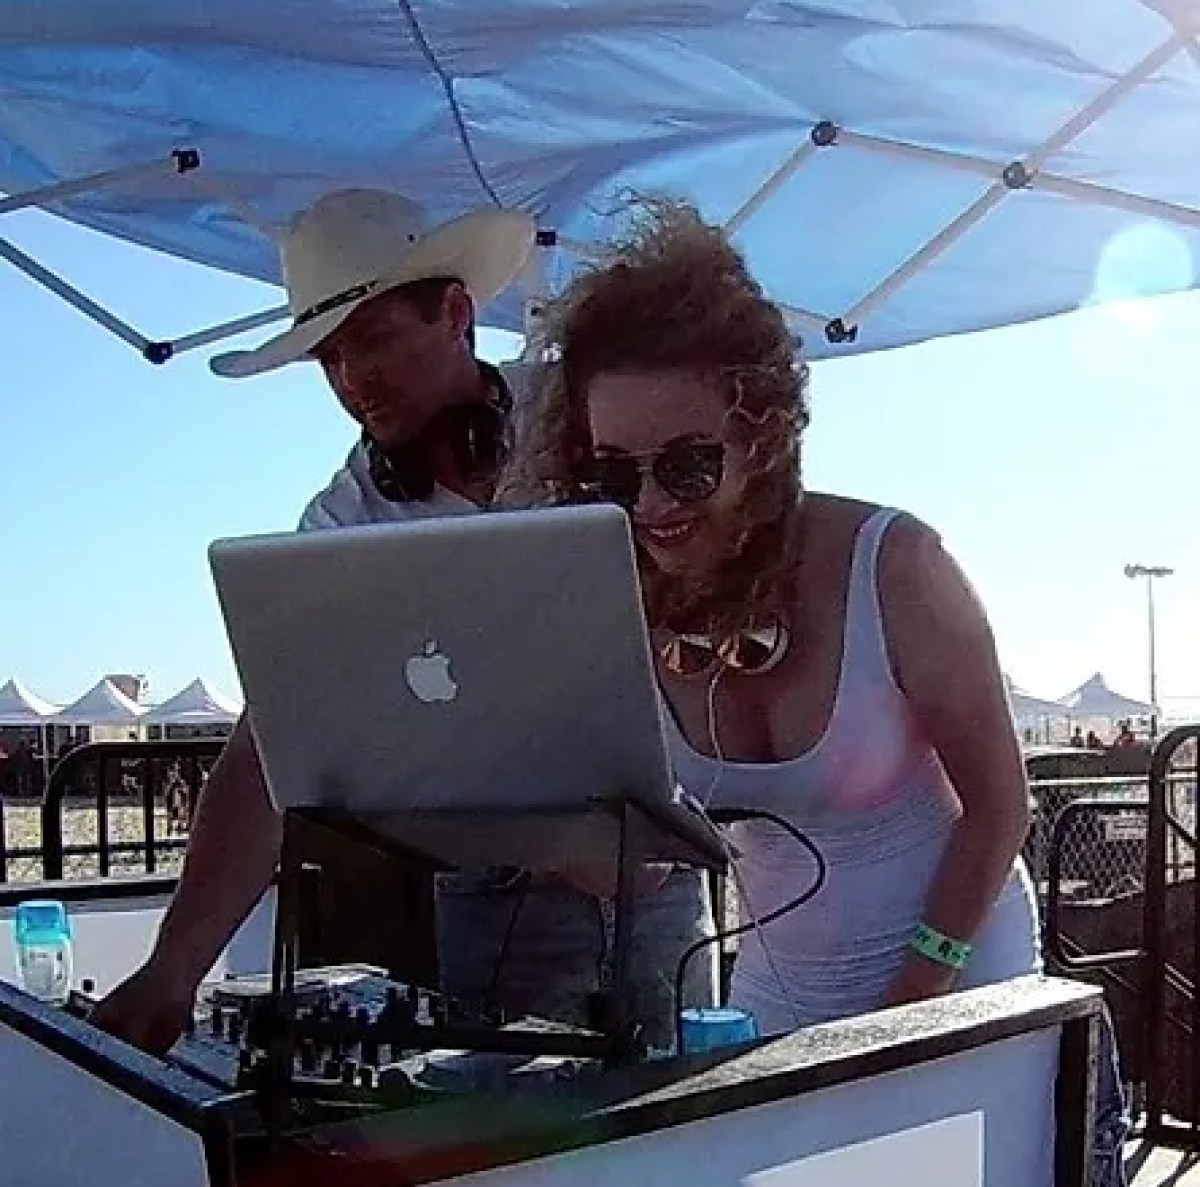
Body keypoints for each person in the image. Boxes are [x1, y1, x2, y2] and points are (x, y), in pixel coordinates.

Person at [94, 188, 716, 1055]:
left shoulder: (595, 420)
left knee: (666, 1136)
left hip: (645, 876)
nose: (356, 380)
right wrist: (174, 969)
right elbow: (271, 741)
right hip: (477, 892)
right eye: (331, 359)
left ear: (457, 312)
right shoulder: (344, 521)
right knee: (493, 1144)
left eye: (376, 340)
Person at [503, 201, 1040, 1033]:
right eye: (612, 474)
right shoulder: (620, 604)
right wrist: (511, 822)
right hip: (779, 1003)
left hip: (959, 973)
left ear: (761, 440)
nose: (648, 507)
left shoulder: (895, 566)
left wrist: (914, 1000)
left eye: (686, 465)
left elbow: (1002, 806)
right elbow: (644, 872)